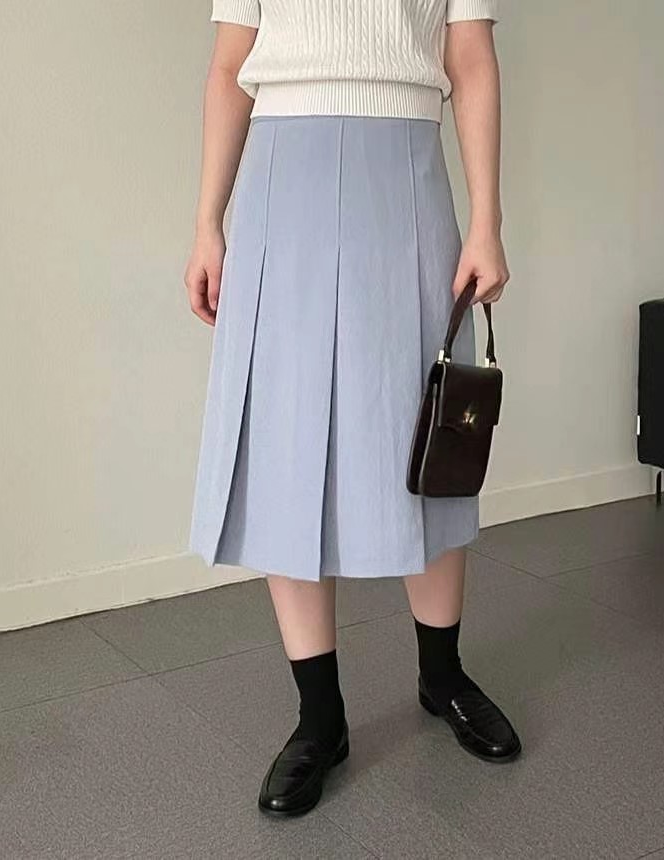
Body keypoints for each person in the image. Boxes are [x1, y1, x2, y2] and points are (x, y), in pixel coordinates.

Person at [185, 0, 520, 817]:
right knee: (288, 439)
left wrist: (486, 221)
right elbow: (230, 66)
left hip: (405, 171)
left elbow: (470, 59)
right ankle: (318, 718)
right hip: (281, 178)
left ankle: (441, 676)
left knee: (423, 434)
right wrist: (206, 223)